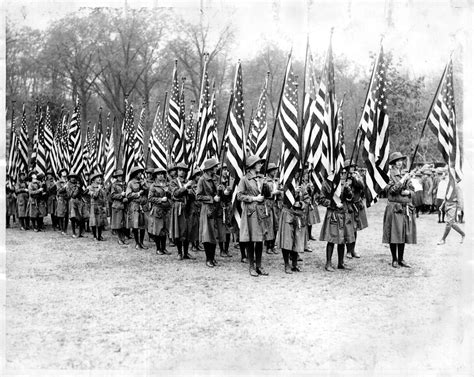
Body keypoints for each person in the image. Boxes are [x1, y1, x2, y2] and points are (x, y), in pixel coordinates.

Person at [236, 155, 270, 277]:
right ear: (252, 166)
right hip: (250, 212)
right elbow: (239, 196)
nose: (260, 165)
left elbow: (268, 195)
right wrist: (253, 198)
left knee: (259, 240)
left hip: (260, 212)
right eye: (258, 163)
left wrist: (266, 187)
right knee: (250, 240)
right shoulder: (244, 179)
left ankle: (259, 265)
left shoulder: (261, 178)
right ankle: (251, 266)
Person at [382, 152, 417, 268]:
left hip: (405, 208)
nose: (400, 163)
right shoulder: (389, 174)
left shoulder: (404, 174)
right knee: (394, 234)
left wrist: (408, 192)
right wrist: (403, 181)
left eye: (401, 160)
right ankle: (394, 259)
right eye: (397, 161)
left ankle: (401, 259)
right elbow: (392, 190)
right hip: (394, 208)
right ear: (393, 163)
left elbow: (413, 191)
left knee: (402, 234)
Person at [318, 170, 356, 271]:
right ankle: (328, 263)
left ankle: (341, 263)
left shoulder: (342, 183)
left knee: (342, 239)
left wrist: (348, 191)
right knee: (331, 239)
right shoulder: (326, 183)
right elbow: (321, 199)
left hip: (343, 213)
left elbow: (350, 198)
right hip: (333, 214)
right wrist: (333, 204)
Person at [196, 158, 220, 268]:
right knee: (207, 234)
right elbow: (198, 196)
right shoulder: (202, 180)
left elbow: (220, 194)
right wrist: (211, 199)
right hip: (207, 209)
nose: (216, 168)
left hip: (216, 209)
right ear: (210, 168)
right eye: (215, 167)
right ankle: (208, 258)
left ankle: (213, 257)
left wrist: (223, 192)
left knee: (214, 234)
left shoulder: (217, 178)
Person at [169, 162, 196, 260]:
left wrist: (190, 191)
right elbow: (175, 193)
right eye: (180, 170)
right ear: (177, 171)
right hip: (178, 207)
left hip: (188, 208)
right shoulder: (173, 182)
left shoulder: (188, 182)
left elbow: (194, 194)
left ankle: (186, 252)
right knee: (179, 230)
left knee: (187, 230)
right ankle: (179, 252)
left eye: (184, 171)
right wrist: (185, 188)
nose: (182, 172)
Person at [276, 187, 305, 273]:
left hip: (297, 214)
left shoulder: (300, 185)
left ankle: (294, 264)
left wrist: (301, 203)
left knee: (297, 239)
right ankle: (286, 264)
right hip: (287, 213)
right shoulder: (285, 183)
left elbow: (306, 199)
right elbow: (279, 200)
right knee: (287, 240)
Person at [344, 160, 367, 259]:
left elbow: (362, 186)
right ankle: (348, 250)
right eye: (350, 167)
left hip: (356, 204)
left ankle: (353, 249)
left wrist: (355, 178)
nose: (352, 168)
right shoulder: (344, 177)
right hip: (348, 205)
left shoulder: (357, 175)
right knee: (348, 229)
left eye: (353, 166)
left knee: (355, 229)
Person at [148, 167, 172, 255]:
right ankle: (158, 248)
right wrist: (161, 199)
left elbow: (171, 195)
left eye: (162, 174)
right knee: (158, 230)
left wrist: (168, 193)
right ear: (155, 176)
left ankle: (164, 248)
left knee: (165, 230)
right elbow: (150, 198)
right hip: (157, 210)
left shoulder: (167, 185)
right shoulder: (153, 186)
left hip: (166, 210)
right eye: (159, 174)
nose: (161, 176)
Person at [126, 166, 149, 249]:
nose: (140, 174)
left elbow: (148, 191)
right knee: (135, 224)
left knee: (142, 225)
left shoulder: (143, 182)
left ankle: (142, 242)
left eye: (141, 172)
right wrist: (138, 193)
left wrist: (144, 185)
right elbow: (128, 195)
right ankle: (137, 243)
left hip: (142, 205)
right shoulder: (131, 183)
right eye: (138, 173)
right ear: (135, 174)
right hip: (134, 205)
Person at [437, 181, 465, 245]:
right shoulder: (449, 186)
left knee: (449, 223)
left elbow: (460, 199)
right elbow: (446, 197)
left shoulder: (457, 187)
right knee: (452, 223)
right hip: (447, 205)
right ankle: (463, 234)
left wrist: (459, 209)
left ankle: (443, 239)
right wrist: (442, 205)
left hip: (453, 205)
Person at [264, 163, 282, 255]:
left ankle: (273, 245)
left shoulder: (277, 181)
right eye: (272, 170)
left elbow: (281, 192)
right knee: (269, 225)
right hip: (268, 204)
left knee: (276, 225)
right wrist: (274, 193)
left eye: (275, 170)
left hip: (276, 205)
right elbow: (265, 194)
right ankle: (268, 246)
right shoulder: (265, 181)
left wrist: (280, 193)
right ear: (269, 171)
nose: (274, 172)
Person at [216, 163, 233, 258]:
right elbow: (217, 195)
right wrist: (224, 193)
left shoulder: (229, 181)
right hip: (220, 208)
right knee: (221, 229)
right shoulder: (218, 182)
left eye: (226, 169)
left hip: (228, 208)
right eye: (224, 169)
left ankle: (226, 249)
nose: (226, 171)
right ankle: (222, 249)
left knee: (228, 229)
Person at [88, 172, 108, 241]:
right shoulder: (90, 187)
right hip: (94, 206)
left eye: (100, 177)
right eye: (97, 177)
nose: (99, 178)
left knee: (100, 222)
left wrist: (105, 206)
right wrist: (98, 189)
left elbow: (104, 197)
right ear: (93, 180)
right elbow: (94, 196)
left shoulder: (101, 187)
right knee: (93, 222)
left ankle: (99, 236)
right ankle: (94, 236)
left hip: (100, 206)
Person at [110, 169, 128, 245]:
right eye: (119, 176)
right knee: (118, 224)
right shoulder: (114, 185)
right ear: (116, 177)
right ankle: (119, 239)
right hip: (117, 206)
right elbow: (112, 195)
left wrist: (126, 197)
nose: (120, 177)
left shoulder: (124, 184)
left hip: (124, 206)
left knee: (123, 224)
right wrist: (121, 195)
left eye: (121, 176)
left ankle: (123, 239)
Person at [67, 173, 85, 238]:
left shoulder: (78, 185)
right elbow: (71, 195)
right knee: (73, 218)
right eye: (72, 177)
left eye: (74, 177)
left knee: (80, 217)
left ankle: (80, 233)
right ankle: (73, 232)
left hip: (79, 202)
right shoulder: (68, 185)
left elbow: (82, 193)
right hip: (72, 201)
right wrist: (77, 188)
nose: (73, 178)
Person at [55, 168, 70, 235]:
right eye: (62, 172)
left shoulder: (68, 182)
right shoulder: (58, 182)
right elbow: (59, 191)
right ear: (60, 174)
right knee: (61, 214)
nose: (64, 173)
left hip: (67, 199)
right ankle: (62, 229)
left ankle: (65, 229)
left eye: (65, 172)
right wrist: (64, 187)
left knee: (66, 215)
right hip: (61, 199)